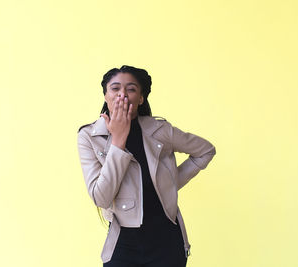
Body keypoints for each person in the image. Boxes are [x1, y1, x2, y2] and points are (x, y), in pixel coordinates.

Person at [77, 65, 216, 267]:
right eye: (115, 88)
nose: (122, 94)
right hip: (123, 244)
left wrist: (169, 183)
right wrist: (118, 141)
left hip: (167, 242)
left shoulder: (160, 130)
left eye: (131, 89)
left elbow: (205, 151)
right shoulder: (89, 137)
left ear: (141, 98)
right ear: (106, 95)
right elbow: (101, 197)